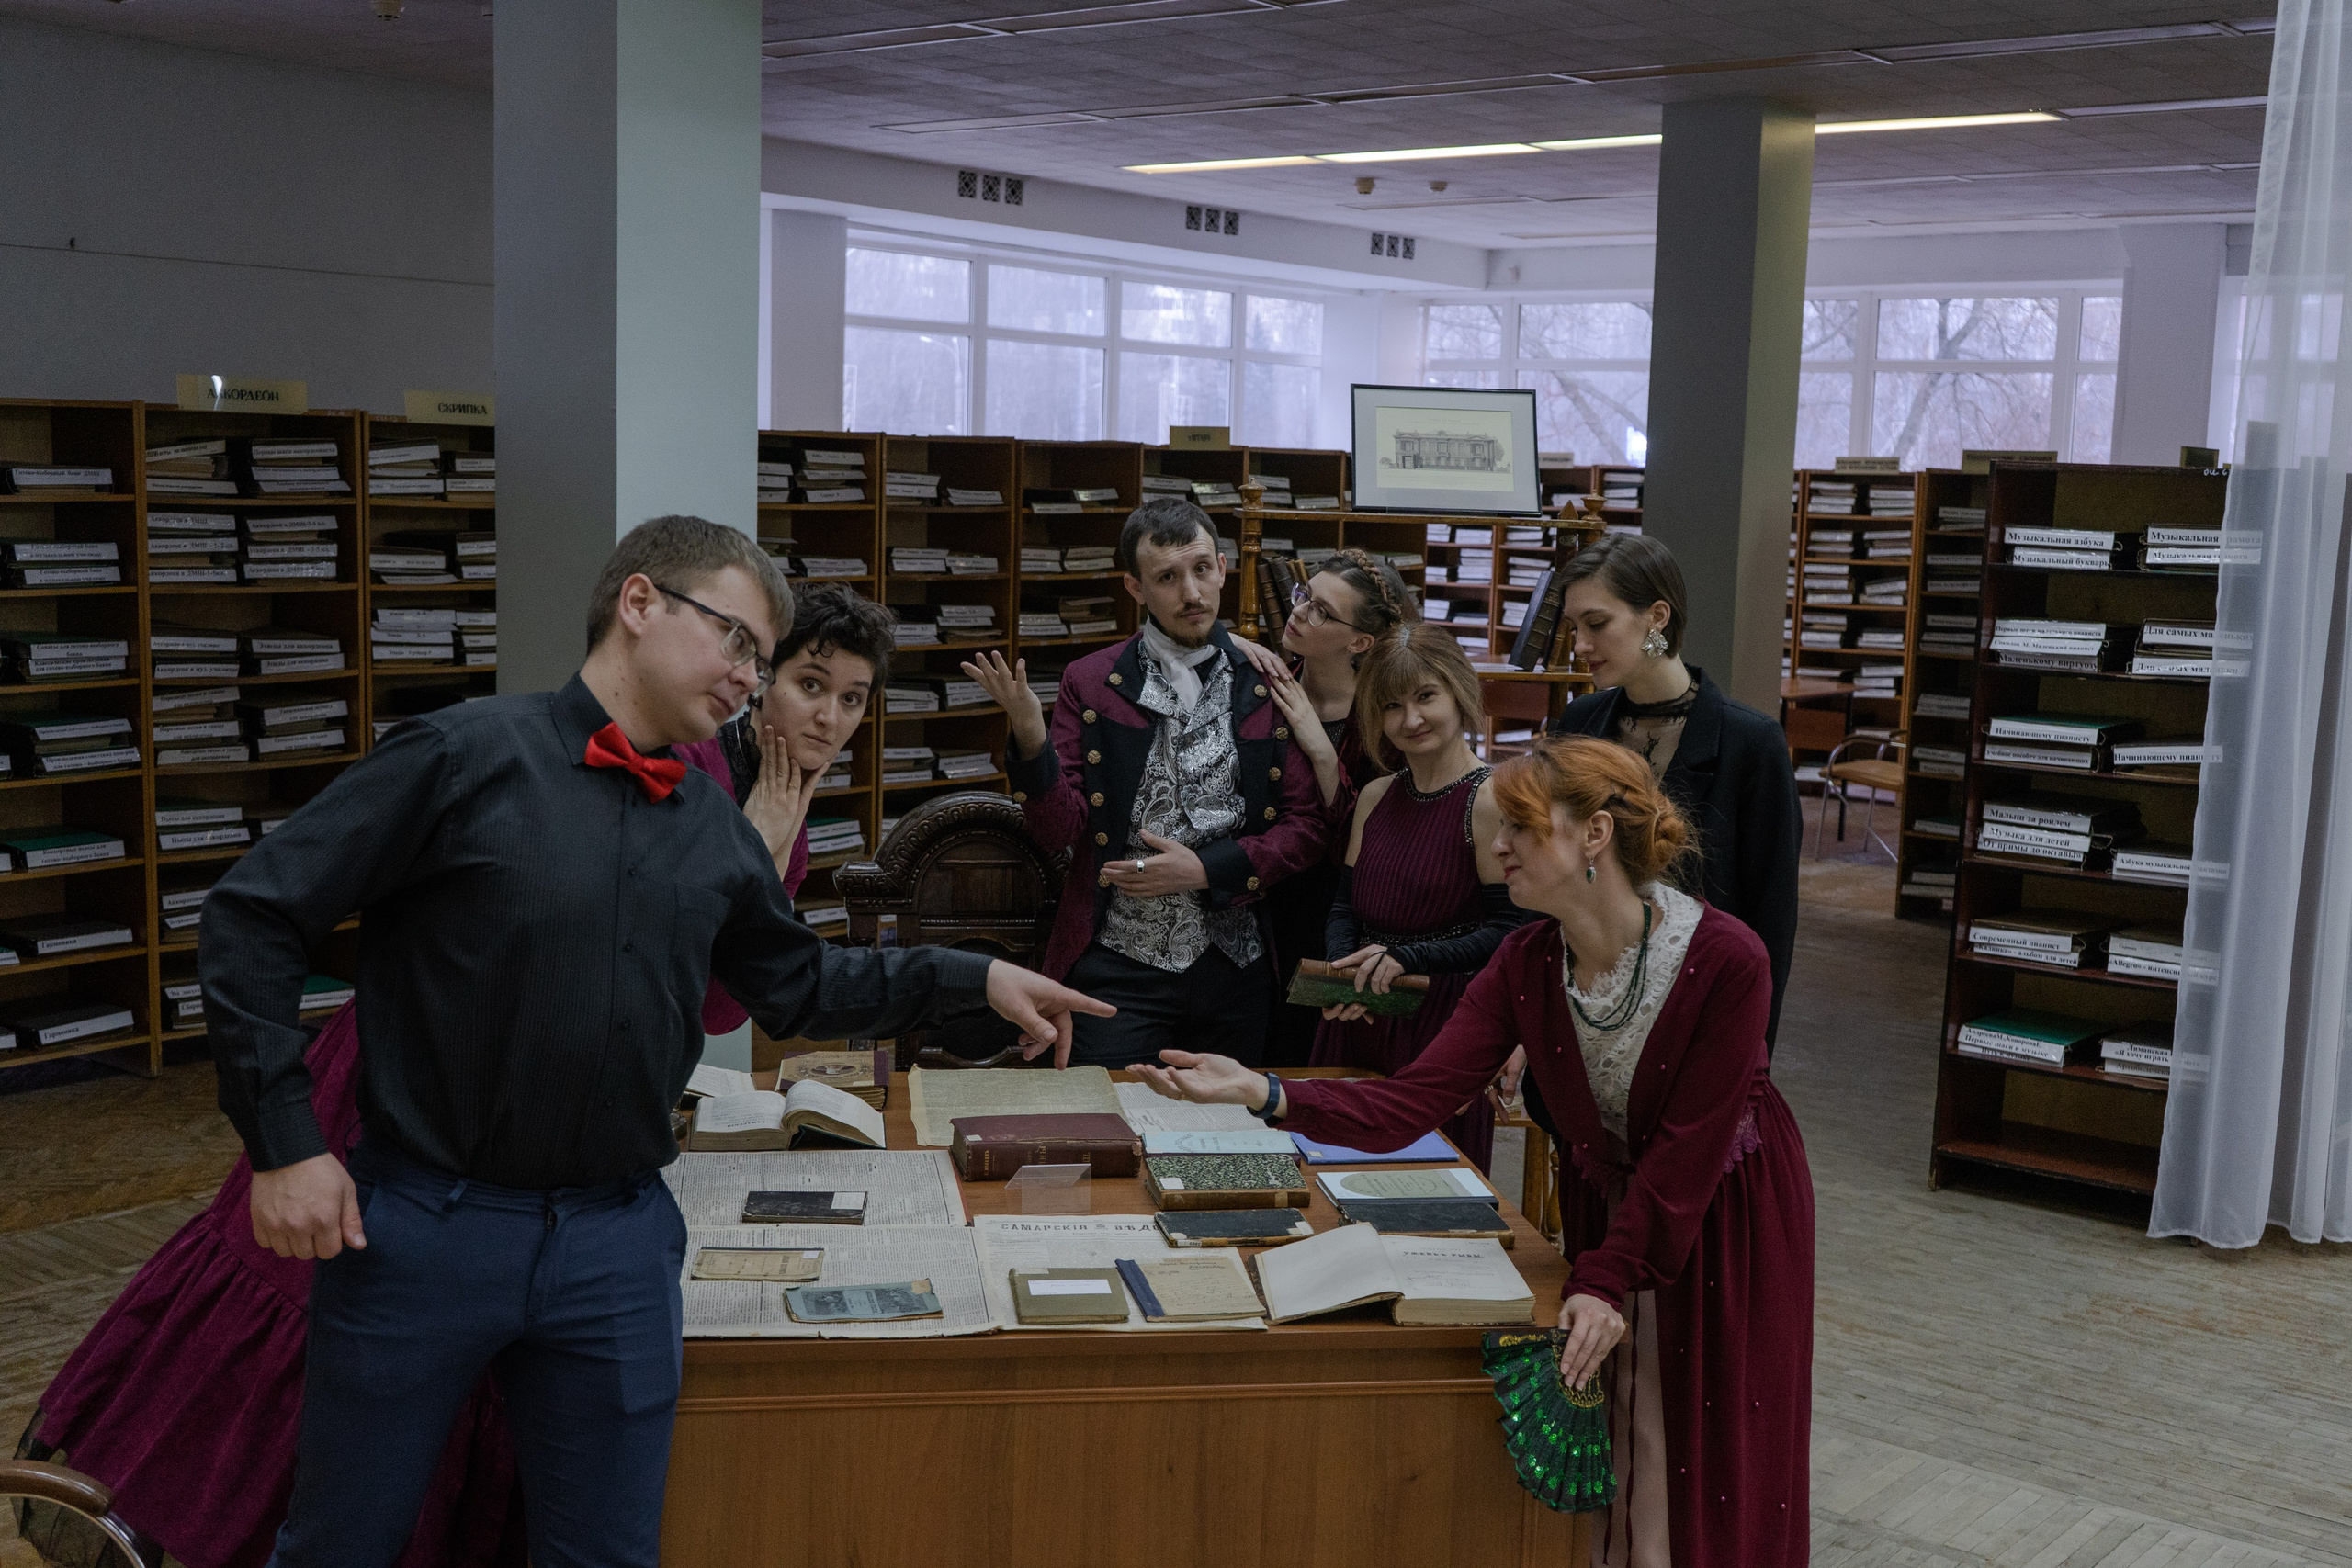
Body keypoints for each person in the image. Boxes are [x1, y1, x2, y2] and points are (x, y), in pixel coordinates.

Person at [196, 515, 1106, 1568]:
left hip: (616, 1243)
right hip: (426, 1228)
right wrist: (284, 1142)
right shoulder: (461, 756)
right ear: (638, 603)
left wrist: (973, 976)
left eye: (761, 657)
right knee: (341, 1547)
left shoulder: (712, 829)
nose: (749, 677)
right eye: (737, 640)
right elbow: (254, 914)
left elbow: (800, 984)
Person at [15, 594, 893, 1568]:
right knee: (334, 1350)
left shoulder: (769, 808)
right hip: (427, 1079)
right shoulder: (677, 761)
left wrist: (772, 857)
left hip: (551, 1144)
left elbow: (723, 1007)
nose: (826, 717)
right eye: (806, 683)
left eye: (852, 699)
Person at [1137, 736, 1815, 1568]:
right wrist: (1264, 1090)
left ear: (1595, 833)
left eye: (1522, 825)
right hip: (1621, 1210)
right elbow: (1412, 1100)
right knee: (1619, 1428)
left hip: (1724, 1214)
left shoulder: (1727, 959)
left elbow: (1684, 1157)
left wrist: (1602, 1277)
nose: (1498, 845)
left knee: (1704, 1446)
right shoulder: (1526, 961)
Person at [962, 496, 1326, 1068]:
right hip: (1119, 963)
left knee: (1231, 1123)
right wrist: (1031, 738)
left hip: (1236, 966)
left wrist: (1207, 869)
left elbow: (1307, 827)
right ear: (1135, 588)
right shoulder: (1091, 682)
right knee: (1102, 1112)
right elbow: (1058, 829)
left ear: (1223, 568)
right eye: (1167, 577)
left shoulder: (1267, 681)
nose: (1192, 593)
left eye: (1201, 569)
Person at [1544, 533, 1800, 1053]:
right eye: (1574, 627)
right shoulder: (1578, 722)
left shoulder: (1752, 742)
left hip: (1696, 1004)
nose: (1580, 646)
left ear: (1657, 617)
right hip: (1584, 995)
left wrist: (1750, 1053)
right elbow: (1551, 869)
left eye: (1597, 624)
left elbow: (1771, 919)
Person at [1310, 623, 1528, 1171]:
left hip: (1442, 1026)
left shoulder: (1491, 799)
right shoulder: (1375, 795)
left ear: (1460, 694)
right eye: (1392, 706)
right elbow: (1343, 906)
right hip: (1357, 1015)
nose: (1410, 720)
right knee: (1330, 1173)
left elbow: (1509, 933)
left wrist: (1408, 958)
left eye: (1426, 696)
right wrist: (1342, 969)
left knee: (1431, 1189)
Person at [1231, 547, 1417, 1068]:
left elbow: (1372, 846)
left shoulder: (1387, 721)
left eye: (1321, 612)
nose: (1298, 612)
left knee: (1301, 1059)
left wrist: (1322, 753)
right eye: (1304, 596)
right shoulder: (1261, 684)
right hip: (1249, 893)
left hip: (1332, 912)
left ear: (1360, 642)